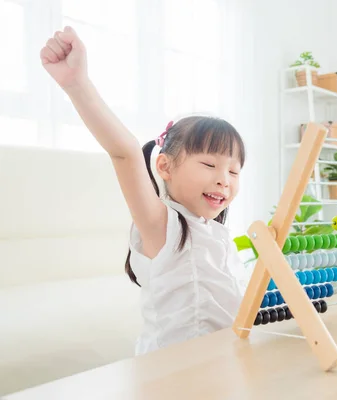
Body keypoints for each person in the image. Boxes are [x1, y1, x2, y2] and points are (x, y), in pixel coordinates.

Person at [40, 26, 250, 355]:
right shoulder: (164, 226)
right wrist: (76, 83)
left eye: (234, 171)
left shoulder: (218, 236)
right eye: (209, 165)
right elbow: (124, 151)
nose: (225, 179)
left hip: (220, 365)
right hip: (171, 373)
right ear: (165, 166)